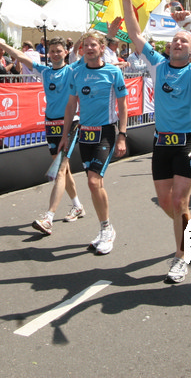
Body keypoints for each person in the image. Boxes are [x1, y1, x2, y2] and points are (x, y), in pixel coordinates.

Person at [120, 0, 191, 282]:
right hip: (161, 142)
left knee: (180, 201)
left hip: (188, 141)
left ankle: (180, 256)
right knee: (166, 203)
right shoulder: (157, 64)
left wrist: (189, 24)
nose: (178, 43)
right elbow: (135, 33)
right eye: (175, 40)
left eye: (184, 41)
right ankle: (187, 227)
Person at [0, 34, 86, 235]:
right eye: (52, 51)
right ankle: (77, 205)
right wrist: (0, 44)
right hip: (50, 124)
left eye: (59, 51)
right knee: (64, 169)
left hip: (69, 123)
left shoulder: (72, 70)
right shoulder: (44, 71)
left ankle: (48, 217)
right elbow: (20, 56)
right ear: (48, 53)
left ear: (65, 53)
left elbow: (90, 55)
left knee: (59, 169)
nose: (56, 54)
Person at [58, 29, 128, 255]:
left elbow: (123, 106)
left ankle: (107, 230)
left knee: (93, 181)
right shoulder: (76, 73)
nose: (89, 48)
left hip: (105, 132)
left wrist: (122, 135)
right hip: (85, 134)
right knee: (95, 184)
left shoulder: (113, 72)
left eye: (93, 45)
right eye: (86, 45)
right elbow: (71, 106)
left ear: (102, 48)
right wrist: (65, 136)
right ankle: (105, 228)